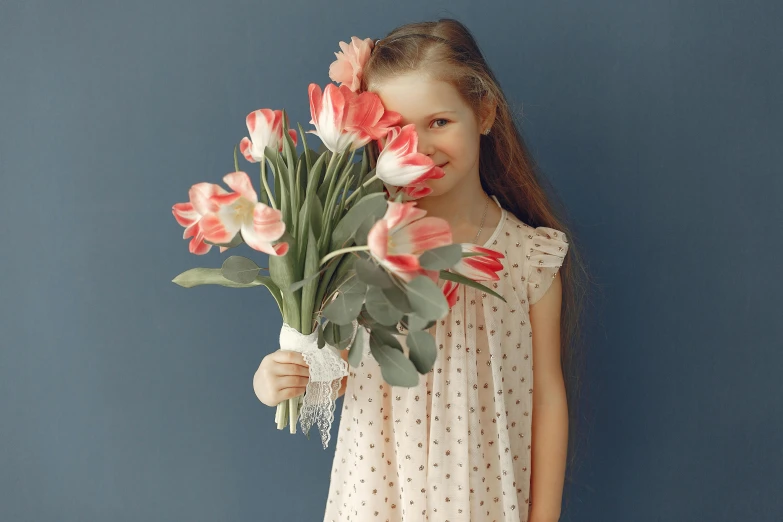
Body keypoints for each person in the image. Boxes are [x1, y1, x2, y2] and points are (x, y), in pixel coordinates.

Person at [255, 17, 588, 522]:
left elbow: (547, 398)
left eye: (438, 122)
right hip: (381, 490)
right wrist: (276, 378)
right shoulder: (358, 249)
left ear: (484, 113)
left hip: (485, 492)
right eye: (395, 131)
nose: (420, 148)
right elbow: (332, 368)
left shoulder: (528, 256)